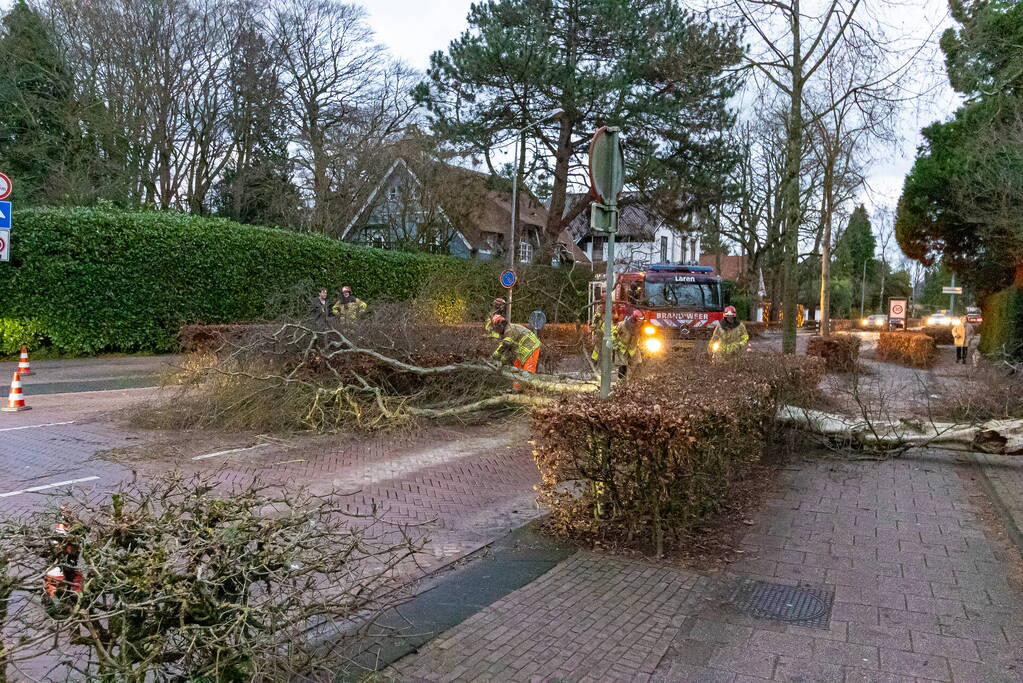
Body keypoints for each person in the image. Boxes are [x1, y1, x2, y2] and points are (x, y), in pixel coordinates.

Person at [490, 315, 542, 383]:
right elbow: (508, 349)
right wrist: (503, 360)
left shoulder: (510, 330)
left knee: (528, 372)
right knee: (517, 370)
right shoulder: (506, 332)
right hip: (522, 352)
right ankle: (517, 388)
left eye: (495, 328)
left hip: (531, 349)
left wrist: (496, 354)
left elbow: (506, 344)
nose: (495, 330)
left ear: (500, 325)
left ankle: (529, 390)